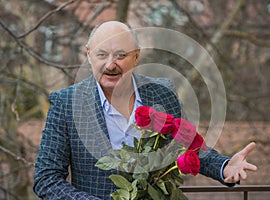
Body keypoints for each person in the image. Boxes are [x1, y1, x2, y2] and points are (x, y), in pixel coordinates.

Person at [33, 21, 257, 199]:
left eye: (121, 55)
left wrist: (225, 167)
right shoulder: (66, 103)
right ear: (89, 54)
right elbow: (47, 179)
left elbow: (189, 146)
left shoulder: (161, 92)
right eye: (102, 55)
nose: (111, 64)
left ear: (136, 56)